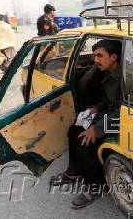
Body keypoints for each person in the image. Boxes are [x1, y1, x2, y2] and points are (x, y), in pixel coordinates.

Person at [50, 39, 122, 209]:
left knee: (85, 141)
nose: (95, 60)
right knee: (73, 130)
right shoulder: (109, 72)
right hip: (110, 115)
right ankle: (74, 172)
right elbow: (109, 99)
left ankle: (96, 185)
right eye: (94, 55)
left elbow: (125, 110)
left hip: (125, 121)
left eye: (99, 55)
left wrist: (96, 129)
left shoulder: (125, 78)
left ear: (113, 57)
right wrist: (94, 109)